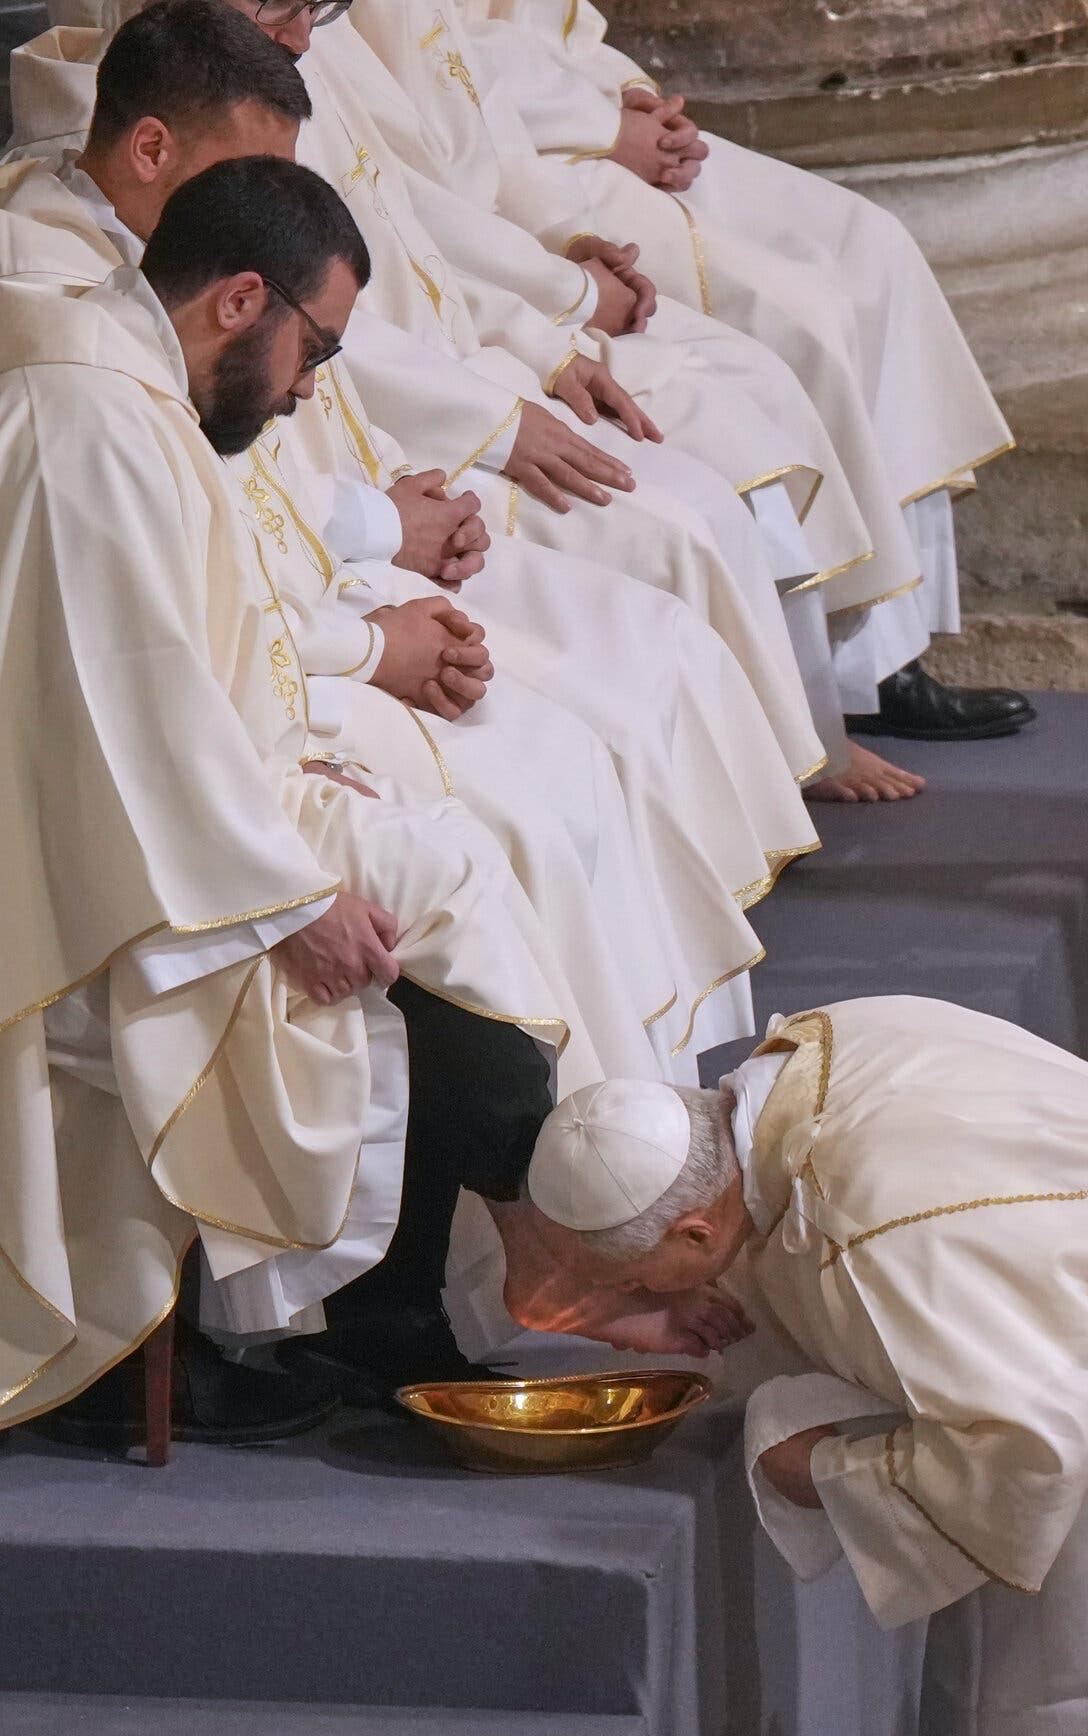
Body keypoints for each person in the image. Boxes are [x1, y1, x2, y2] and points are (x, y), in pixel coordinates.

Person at [0, 0, 828, 1077]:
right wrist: (362, 653)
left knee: (577, 752)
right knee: (509, 832)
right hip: (263, 685)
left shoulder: (157, 291)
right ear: (155, 149)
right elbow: (134, 657)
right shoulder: (70, 332)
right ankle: (564, 1190)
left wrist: (383, 529)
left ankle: (626, 1134)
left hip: (304, 616)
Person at [0, 151, 599, 1445]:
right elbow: (118, 708)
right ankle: (528, 1234)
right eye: (313, 347)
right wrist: (282, 899)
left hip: (143, 816)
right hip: (69, 873)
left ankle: (450, 1273)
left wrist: (283, 760)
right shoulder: (92, 417)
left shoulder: (130, 382)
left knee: (438, 862)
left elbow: (167, 671)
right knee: (411, 899)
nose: (308, 388)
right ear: (239, 300)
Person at [14, 0, 966, 805]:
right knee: (584, 719)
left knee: (652, 642)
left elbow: (416, 209)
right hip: (332, 549)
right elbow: (165, 561)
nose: (304, 30)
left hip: (375, 480)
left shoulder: (250, 107)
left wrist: (545, 330)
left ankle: (827, 717)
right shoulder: (67, 287)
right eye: (285, 5)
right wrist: (384, 538)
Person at [502, 995, 1088, 1736]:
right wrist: (678, 1298)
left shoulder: (872, 1220)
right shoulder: (804, 1065)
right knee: (995, 1702)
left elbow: (1022, 1447)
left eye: (629, 1282)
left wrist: (826, 1470)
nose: (626, 1303)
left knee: (1086, 1725)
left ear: (695, 1235)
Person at [419, 0, 1036, 745]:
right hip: (537, 163)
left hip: (583, 125)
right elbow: (454, 69)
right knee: (807, 320)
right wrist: (605, 129)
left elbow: (555, 24)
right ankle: (861, 663)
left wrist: (634, 99)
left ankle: (894, 642)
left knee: (876, 245)